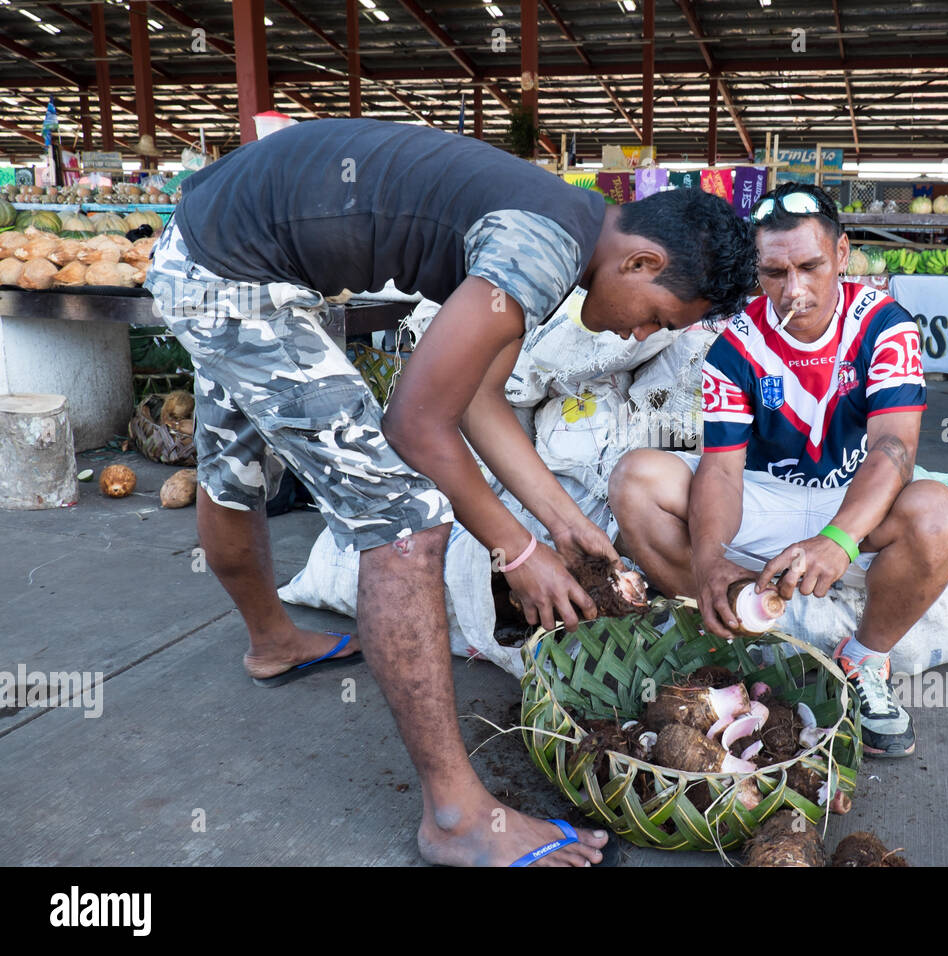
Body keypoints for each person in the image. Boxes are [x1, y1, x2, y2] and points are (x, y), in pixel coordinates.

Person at [143, 118, 756, 867]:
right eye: (657, 318)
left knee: (232, 471)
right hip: (230, 277)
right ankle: (455, 817)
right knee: (407, 519)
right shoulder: (542, 247)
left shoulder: (562, 229)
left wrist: (564, 526)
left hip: (209, 249)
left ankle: (273, 643)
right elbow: (417, 421)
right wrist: (516, 548)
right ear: (640, 259)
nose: (638, 338)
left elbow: (480, 400)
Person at [609, 182, 948, 758]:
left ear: (843, 255)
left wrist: (837, 541)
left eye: (810, 266)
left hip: (849, 500)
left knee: (937, 512)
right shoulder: (737, 343)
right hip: (762, 496)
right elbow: (721, 472)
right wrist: (709, 561)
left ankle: (864, 661)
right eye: (774, 272)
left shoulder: (885, 325)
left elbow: (892, 450)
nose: (793, 289)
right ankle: (725, 632)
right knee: (635, 479)